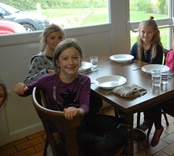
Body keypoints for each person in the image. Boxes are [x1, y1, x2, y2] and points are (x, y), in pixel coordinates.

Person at [14, 38, 146, 155]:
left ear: (80, 60)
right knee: (101, 145)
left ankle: (123, 130)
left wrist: (78, 111)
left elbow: (84, 106)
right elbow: (28, 88)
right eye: (65, 58)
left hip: (85, 119)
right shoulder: (47, 80)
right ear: (57, 62)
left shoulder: (84, 80)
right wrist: (21, 88)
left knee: (124, 122)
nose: (70, 62)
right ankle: (123, 134)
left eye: (75, 57)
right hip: (68, 129)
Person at [130, 16, 164, 146]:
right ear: (139, 32)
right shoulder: (136, 46)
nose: (145, 35)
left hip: (153, 82)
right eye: (143, 32)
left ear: (154, 32)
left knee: (153, 99)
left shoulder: (157, 48)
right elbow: (131, 64)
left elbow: (156, 68)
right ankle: (146, 122)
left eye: (149, 32)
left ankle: (157, 126)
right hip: (139, 80)